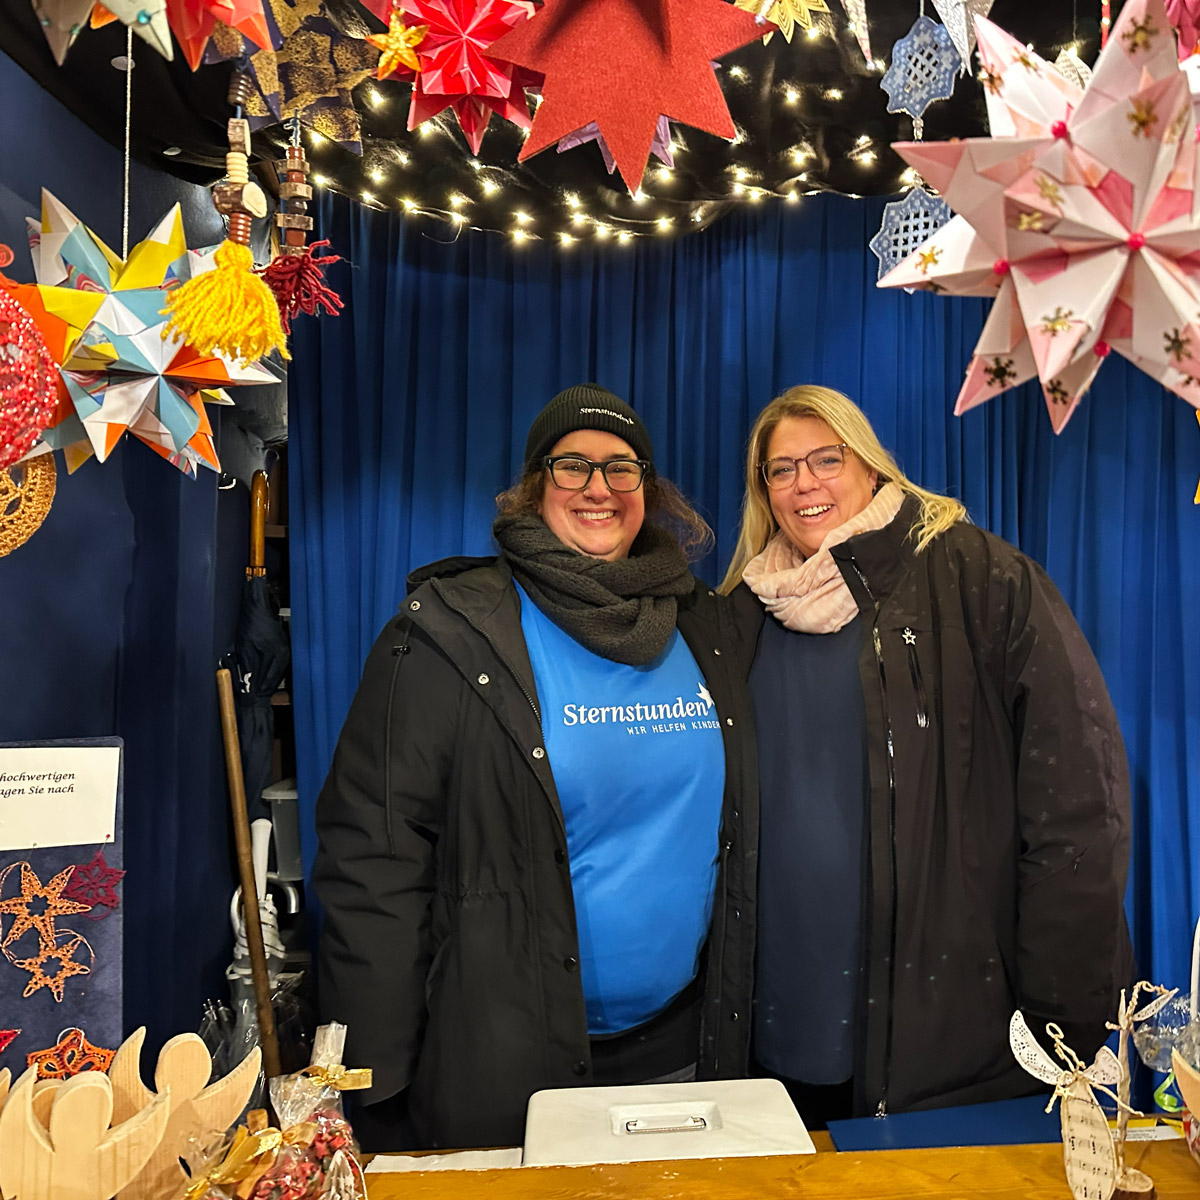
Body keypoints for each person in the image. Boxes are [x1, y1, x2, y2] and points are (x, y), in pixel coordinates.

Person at [314, 384, 757, 1150]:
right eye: (571, 465)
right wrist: (375, 1085)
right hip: (508, 1061)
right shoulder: (447, 633)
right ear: (533, 486)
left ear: (648, 491)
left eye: (622, 468)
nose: (598, 488)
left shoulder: (704, 623)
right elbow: (373, 861)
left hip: (685, 1053)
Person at [721, 384, 1133, 1127]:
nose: (804, 483)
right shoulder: (742, 613)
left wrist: (1064, 1012)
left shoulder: (981, 578)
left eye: (826, 459)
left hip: (949, 1030)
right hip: (779, 1018)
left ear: (870, 466)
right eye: (781, 469)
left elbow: (1080, 801)